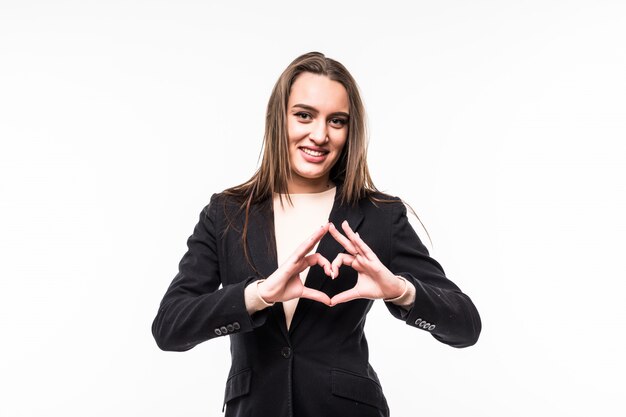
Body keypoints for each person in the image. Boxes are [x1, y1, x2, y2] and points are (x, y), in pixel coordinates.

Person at [151, 51, 481, 417]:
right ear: (280, 118)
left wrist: (400, 291)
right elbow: (169, 327)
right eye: (304, 115)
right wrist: (257, 295)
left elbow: (465, 326)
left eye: (337, 121)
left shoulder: (377, 215)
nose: (320, 135)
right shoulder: (227, 212)